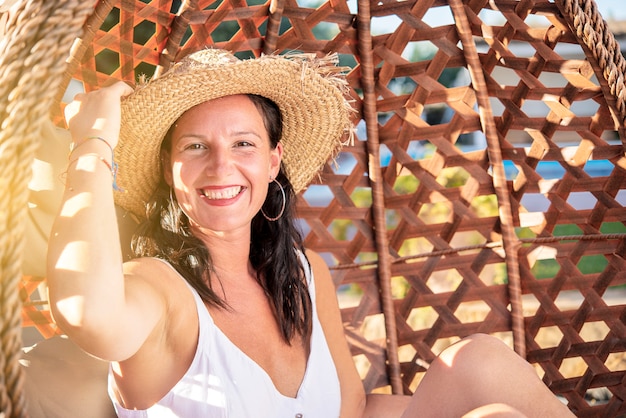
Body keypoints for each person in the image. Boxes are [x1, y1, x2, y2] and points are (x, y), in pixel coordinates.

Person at [47, 48, 575, 417]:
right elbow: (86, 314)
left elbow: (351, 410)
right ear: (168, 169)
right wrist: (92, 145)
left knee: (479, 365)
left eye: (244, 145)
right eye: (195, 147)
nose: (221, 168)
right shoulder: (160, 291)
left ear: (275, 160)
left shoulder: (303, 275)